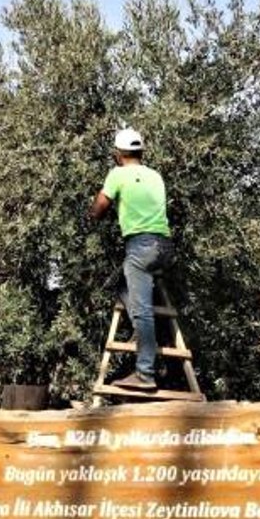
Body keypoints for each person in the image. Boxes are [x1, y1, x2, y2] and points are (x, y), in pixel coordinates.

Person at [88, 127, 174, 391]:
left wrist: (91, 214)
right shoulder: (155, 175)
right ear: (141, 151)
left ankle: (145, 373)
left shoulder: (118, 173)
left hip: (141, 247)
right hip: (165, 247)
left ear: (118, 154)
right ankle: (140, 331)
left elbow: (100, 208)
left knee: (143, 311)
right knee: (122, 286)